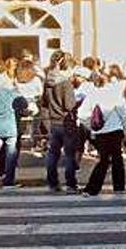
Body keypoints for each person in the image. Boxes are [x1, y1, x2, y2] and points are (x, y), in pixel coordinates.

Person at [78, 68, 126, 196]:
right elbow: (123, 113)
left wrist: (91, 126)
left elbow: (82, 114)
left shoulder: (92, 95)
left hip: (100, 132)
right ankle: (119, 187)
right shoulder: (116, 94)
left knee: (103, 160)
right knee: (117, 158)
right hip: (116, 129)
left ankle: (92, 188)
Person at [41, 50, 79, 193]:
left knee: (53, 154)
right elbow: (69, 105)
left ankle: (53, 183)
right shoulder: (65, 83)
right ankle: (71, 184)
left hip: (52, 121)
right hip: (66, 121)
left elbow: (44, 102)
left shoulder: (48, 80)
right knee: (69, 155)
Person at [0, 77, 28, 190]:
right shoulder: (14, 95)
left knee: (2, 148)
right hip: (10, 127)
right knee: (11, 154)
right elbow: (24, 105)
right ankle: (8, 181)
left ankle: (0, 171)